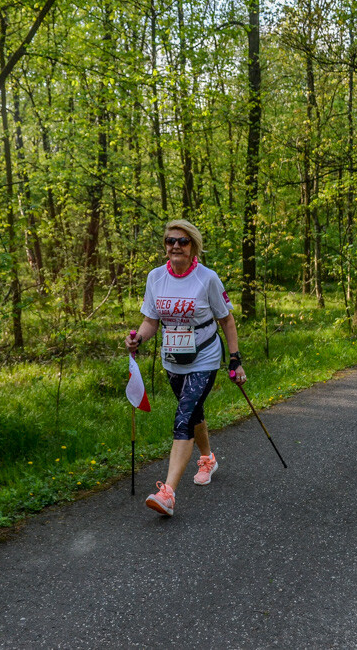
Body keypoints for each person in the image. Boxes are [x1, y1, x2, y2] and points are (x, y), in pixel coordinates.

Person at [125, 219, 246, 517]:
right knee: (193, 414)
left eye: (183, 241)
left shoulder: (207, 279)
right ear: (165, 246)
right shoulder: (155, 278)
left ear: (193, 246)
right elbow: (151, 321)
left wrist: (235, 358)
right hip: (173, 359)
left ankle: (167, 493)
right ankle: (207, 458)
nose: (176, 246)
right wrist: (138, 337)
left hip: (204, 357)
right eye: (170, 241)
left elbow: (226, 320)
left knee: (183, 418)